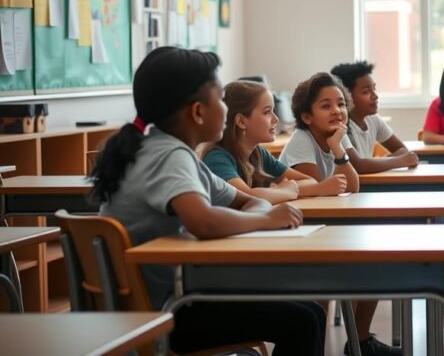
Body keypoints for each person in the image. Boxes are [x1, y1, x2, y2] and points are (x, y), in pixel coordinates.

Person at [89, 47, 325, 356]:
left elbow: (245, 201)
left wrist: (259, 210)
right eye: (221, 100)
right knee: (303, 320)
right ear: (198, 112)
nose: (226, 110)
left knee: (311, 312)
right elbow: (203, 221)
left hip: (162, 303)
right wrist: (266, 220)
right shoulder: (168, 156)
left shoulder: (166, 151)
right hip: (166, 315)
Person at [281, 72, 401, 356]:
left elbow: (353, 184)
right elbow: (316, 193)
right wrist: (337, 163)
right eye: (326, 105)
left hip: (324, 228)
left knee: (376, 262)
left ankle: (361, 342)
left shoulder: (336, 136)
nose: (337, 111)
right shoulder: (301, 141)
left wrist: (337, 148)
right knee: (320, 287)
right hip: (300, 231)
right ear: (307, 116)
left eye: (340, 104)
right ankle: (316, 349)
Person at [201, 80, 350, 202]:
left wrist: (279, 191)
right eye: (267, 112)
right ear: (241, 121)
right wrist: (281, 191)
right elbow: (247, 197)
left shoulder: (258, 153)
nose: (276, 119)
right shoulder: (217, 158)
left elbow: (310, 181)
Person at [331, 61, 418, 174]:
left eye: (374, 89)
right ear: (346, 96)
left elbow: (402, 150)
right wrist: (399, 161)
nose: (375, 96)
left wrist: (376, 163)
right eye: (366, 91)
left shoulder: (372, 119)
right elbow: (358, 166)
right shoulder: (339, 124)